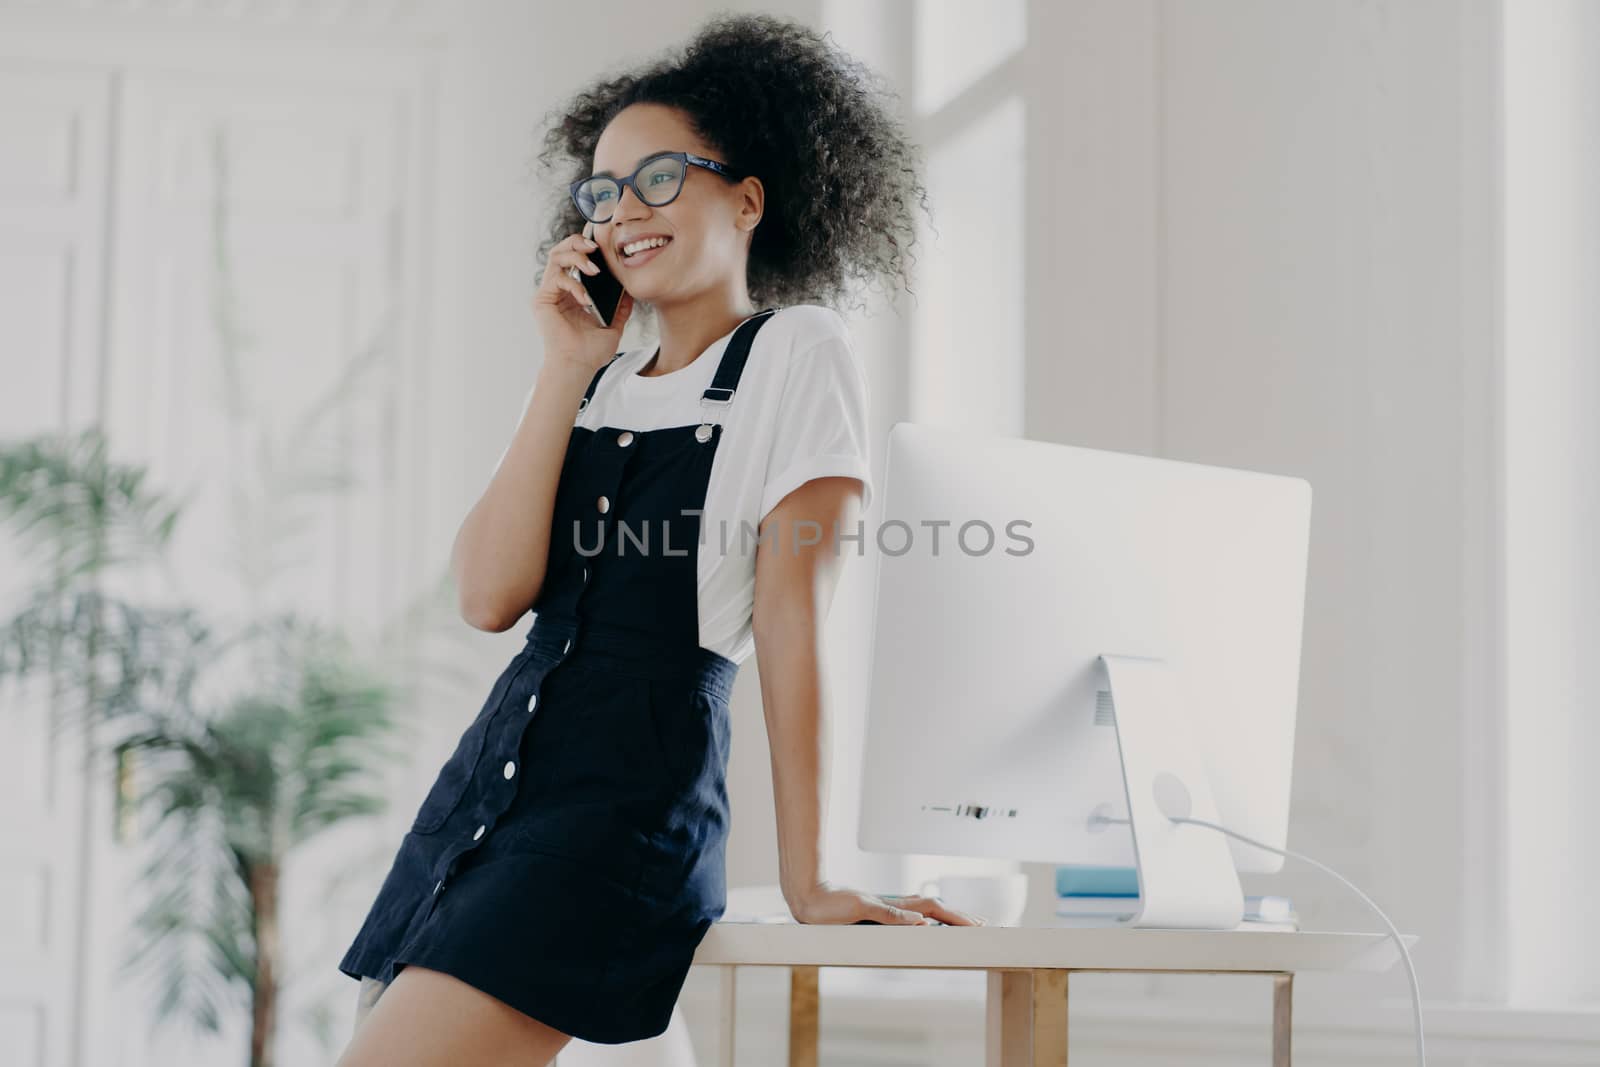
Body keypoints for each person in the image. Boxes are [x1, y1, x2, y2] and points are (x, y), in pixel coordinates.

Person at [334, 13, 981, 1065]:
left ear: (748, 196)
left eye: (661, 176)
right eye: (603, 191)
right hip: (492, 788)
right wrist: (563, 366)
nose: (624, 210)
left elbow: (790, 619)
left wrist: (814, 876)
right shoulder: (599, 381)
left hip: (619, 810)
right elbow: (490, 597)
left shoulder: (794, 351)